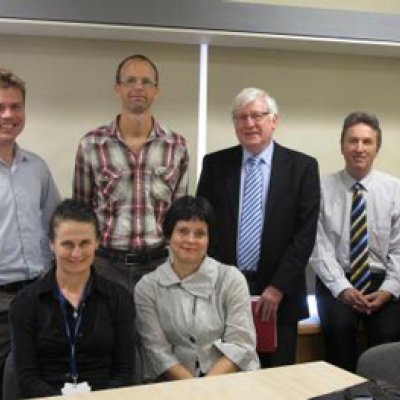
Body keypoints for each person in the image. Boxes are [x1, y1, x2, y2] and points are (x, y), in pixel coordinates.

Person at [196, 87, 320, 368]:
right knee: (225, 373)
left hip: (279, 294)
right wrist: (216, 281)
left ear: (273, 120)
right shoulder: (216, 165)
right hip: (223, 288)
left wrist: (278, 287)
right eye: (241, 117)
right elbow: (202, 225)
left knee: (275, 376)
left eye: (257, 116)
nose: (249, 124)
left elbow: (305, 235)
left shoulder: (302, 167)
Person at [73, 54, 189, 294]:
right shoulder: (92, 144)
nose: (138, 87)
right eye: (130, 81)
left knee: (156, 333)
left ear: (156, 91)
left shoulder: (176, 146)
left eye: (147, 82)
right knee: (107, 332)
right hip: (105, 266)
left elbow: (179, 216)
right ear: (117, 88)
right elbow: (81, 212)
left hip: (158, 266)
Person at [9, 199, 136, 398]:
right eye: (67, 244)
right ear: (51, 244)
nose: (76, 253)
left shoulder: (119, 299)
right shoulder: (26, 303)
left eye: (84, 243)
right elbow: (27, 378)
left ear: (97, 242)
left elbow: (124, 372)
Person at [309, 111, 400, 372]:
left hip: (383, 281)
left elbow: (399, 249)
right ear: (342, 146)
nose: (359, 148)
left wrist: (389, 289)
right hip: (337, 280)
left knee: (387, 340)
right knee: (339, 333)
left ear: (377, 148)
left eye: (366, 142)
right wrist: (343, 289)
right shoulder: (321, 189)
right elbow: (318, 247)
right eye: (352, 141)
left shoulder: (395, 190)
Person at [135, 196, 259, 381]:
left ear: (209, 239)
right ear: (169, 236)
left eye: (200, 233)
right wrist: (193, 389)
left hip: (231, 380)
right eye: (183, 231)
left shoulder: (231, 279)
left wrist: (204, 389)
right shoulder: (147, 287)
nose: (190, 240)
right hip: (176, 386)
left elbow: (240, 345)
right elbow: (157, 351)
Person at [0, 68, 60, 395]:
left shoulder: (36, 168)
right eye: (0, 107)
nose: (9, 115)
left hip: (37, 296)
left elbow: (56, 226)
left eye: (16, 106)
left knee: (34, 383)